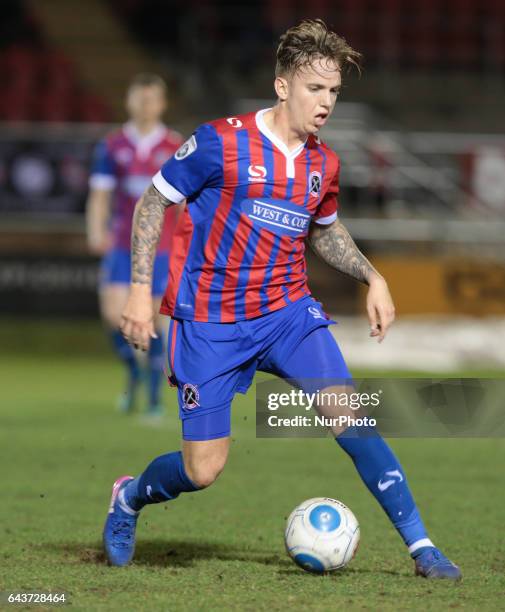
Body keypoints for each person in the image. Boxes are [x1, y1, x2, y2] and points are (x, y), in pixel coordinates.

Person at [102, 20, 461, 580]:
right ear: (282, 86)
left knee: (353, 419)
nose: (326, 103)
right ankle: (128, 499)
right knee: (202, 471)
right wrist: (142, 295)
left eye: (334, 92)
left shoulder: (323, 164)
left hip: (287, 315)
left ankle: (423, 548)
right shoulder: (219, 141)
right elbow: (153, 204)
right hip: (211, 322)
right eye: (315, 89)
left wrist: (374, 277)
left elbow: (325, 231)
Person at [86, 73, 183, 416]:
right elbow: (100, 194)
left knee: (154, 321)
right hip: (121, 243)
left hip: (162, 246)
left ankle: (154, 398)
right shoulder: (113, 145)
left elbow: (185, 203)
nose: (145, 105)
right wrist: (96, 230)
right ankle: (134, 372)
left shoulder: (174, 146)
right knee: (113, 316)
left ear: (162, 103)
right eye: (139, 98)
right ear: (129, 101)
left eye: (151, 98)